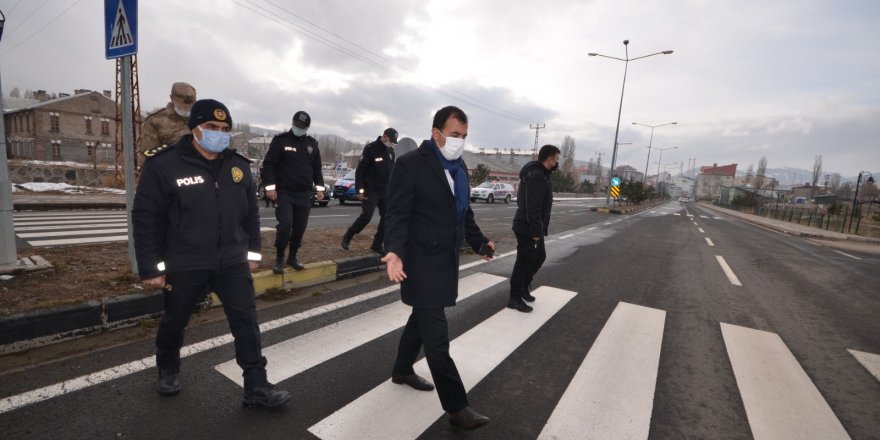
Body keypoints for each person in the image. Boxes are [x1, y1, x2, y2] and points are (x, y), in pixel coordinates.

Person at [132, 99, 290, 408]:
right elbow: (146, 217)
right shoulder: (164, 165)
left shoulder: (239, 166)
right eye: (212, 127)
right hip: (184, 262)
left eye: (225, 129)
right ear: (194, 129)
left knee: (246, 322)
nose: (219, 133)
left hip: (231, 261)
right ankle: (168, 366)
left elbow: (251, 217)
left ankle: (256, 385)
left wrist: (253, 253)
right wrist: (151, 267)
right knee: (175, 319)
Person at [381, 106, 494, 431]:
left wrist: (480, 243)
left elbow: (463, 213)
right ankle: (457, 407)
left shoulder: (459, 169)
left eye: (464, 137)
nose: (460, 142)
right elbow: (397, 214)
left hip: (444, 261)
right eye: (455, 135)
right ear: (436, 133)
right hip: (419, 263)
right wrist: (394, 251)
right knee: (437, 339)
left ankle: (402, 369)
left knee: (420, 319)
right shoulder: (410, 165)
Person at [261, 110, 325, 273]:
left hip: (304, 193)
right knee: (285, 225)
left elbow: (317, 168)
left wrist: (320, 188)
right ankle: (280, 257)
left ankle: (293, 257)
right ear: (292, 123)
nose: (299, 128)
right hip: (285, 192)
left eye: (302, 127)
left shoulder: (312, 144)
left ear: (307, 127)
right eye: (297, 125)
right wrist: (270, 188)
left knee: (299, 227)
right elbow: (269, 165)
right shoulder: (280, 140)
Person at [508, 144, 560, 313]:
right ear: (549, 159)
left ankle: (523, 287)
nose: (557, 163)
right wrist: (536, 231)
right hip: (528, 227)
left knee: (538, 257)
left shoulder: (541, 174)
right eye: (556, 159)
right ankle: (514, 297)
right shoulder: (537, 175)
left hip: (531, 226)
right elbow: (533, 206)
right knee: (524, 261)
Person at [341, 128, 398, 253]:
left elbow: (391, 173)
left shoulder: (391, 152)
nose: (392, 143)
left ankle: (377, 244)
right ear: (385, 136)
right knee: (367, 216)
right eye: (391, 140)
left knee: (387, 217)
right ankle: (348, 235)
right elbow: (360, 172)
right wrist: (360, 191)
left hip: (385, 190)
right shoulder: (371, 148)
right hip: (371, 189)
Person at [139, 82, 197, 155]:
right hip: (166, 164)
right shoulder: (155, 120)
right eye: (182, 106)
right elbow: (148, 153)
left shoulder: (199, 118)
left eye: (190, 106)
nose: (186, 109)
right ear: (171, 98)